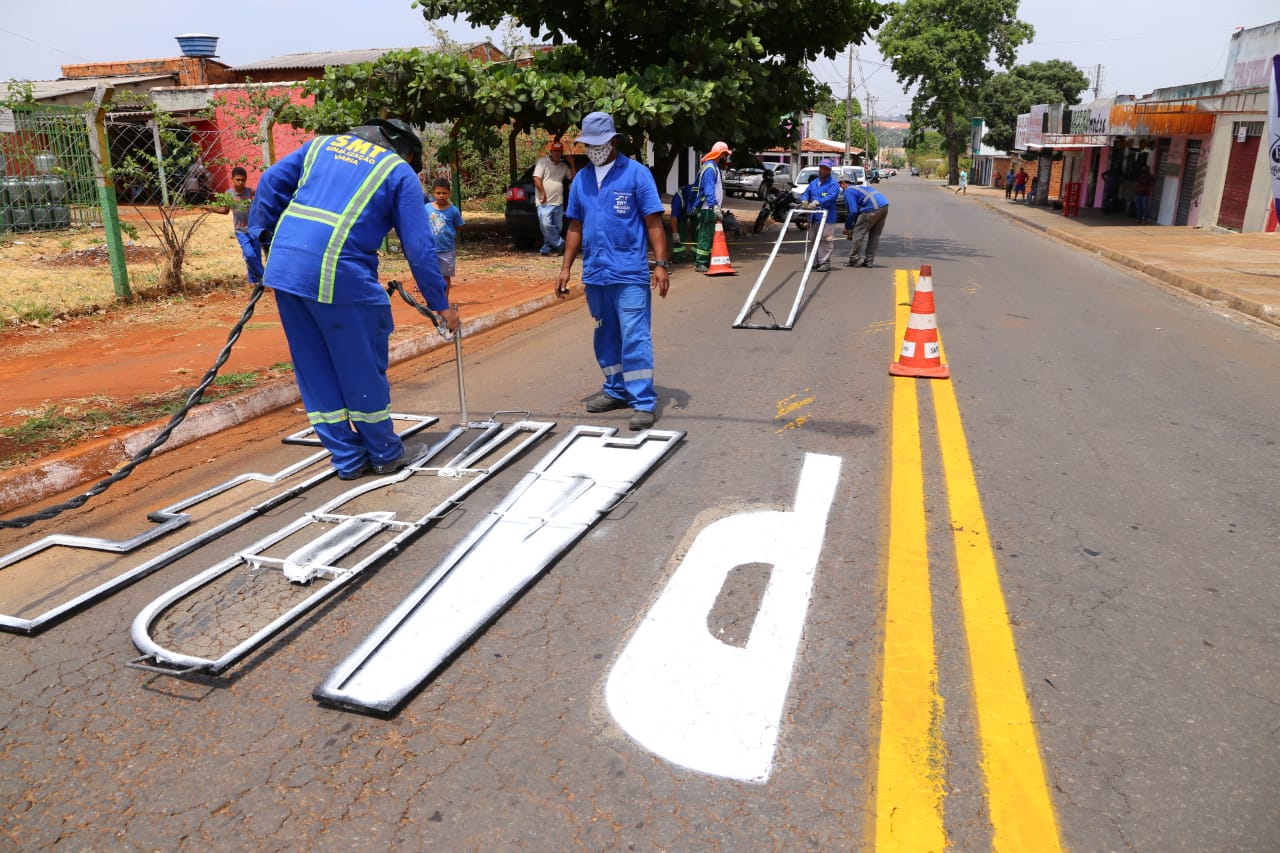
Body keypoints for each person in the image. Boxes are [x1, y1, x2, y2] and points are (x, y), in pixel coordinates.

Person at [249, 118, 459, 481]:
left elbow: (268, 183)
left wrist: (263, 247)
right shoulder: (398, 171)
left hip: (284, 266)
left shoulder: (320, 145)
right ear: (407, 151)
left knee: (314, 367)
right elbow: (419, 246)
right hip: (336, 269)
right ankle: (384, 452)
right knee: (359, 364)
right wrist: (440, 305)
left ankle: (347, 458)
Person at [554, 111, 671, 431]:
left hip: (630, 272)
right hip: (596, 273)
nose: (594, 149)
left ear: (613, 141)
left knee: (634, 335)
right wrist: (565, 267)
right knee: (605, 334)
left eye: (599, 143)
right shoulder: (581, 180)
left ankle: (643, 400)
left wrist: (660, 265)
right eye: (588, 144)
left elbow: (653, 222)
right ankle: (616, 389)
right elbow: (575, 225)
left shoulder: (636, 174)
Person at [203, 166, 263, 285]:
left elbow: (263, 193)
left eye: (243, 180)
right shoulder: (229, 194)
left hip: (253, 229)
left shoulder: (249, 192)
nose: (240, 182)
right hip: (240, 231)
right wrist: (210, 208)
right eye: (238, 180)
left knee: (256, 255)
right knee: (249, 255)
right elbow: (225, 211)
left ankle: (254, 281)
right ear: (232, 179)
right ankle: (265, 276)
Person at [692, 141, 732, 272]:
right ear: (719, 154)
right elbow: (709, 190)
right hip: (708, 208)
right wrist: (714, 206)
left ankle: (705, 261)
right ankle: (701, 263)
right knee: (705, 235)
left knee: (708, 235)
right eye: (724, 155)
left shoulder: (711, 166)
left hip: (709, 207)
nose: (725, 158)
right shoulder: (710, 168)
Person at [798, 158, 841, 272]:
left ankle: (824, 262)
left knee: (825, 240)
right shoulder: (814, 182)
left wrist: (818, 202)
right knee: (813, 239)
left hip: (827, 218)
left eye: (825, 169)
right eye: (821, 168)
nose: (822, 171)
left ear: (829, 170)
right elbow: (806, 192)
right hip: (814, 217)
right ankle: (816, 261)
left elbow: (831, 197)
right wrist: (805, 200)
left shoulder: (833, 184)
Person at [533, 141, 573, 255]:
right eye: (555, 151)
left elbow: (573, 177)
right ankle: (561, 244)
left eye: (559, 152)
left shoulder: (563, 166)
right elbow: (536, 179)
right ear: (551, 152)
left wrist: (572, 163)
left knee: (557, 228)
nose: (556, 153)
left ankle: (546, 250)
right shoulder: (542, 162)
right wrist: (543, 193)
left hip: (558, 202)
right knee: (546, 225)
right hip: (544, 201)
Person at [841, 177, 889, 268]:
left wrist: (848, 228)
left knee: (858, 234)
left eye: (840, 185)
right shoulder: (860, 188)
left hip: (872, 208)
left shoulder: (848, 191)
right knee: (874, 235)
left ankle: (854, 259)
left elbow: (853, 211)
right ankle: (869, 261)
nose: (841, 188)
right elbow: (857, 212)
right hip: (884, 206)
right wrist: (852, 225)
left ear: (843, 183)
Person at [427, 177, 465, 293]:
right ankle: (433, 302)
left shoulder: (453, 211)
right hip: (430, 249)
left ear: (449, 193)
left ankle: (445, 302)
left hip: (447, 250)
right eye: (438, 193)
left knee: (445, 277)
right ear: (433, 192)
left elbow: (458, 226)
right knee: (431, 277)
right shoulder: (427, 208)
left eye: (444, 193)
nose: (441, 196)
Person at [669, 182, 698, 263]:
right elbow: (674, 218)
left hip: (694, 211)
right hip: (682, 213)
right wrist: (675, 234)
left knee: (698, 231)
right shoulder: (677, 200)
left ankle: (696, 255)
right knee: (680, 230)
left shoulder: (697, 193)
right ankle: (678, 255)